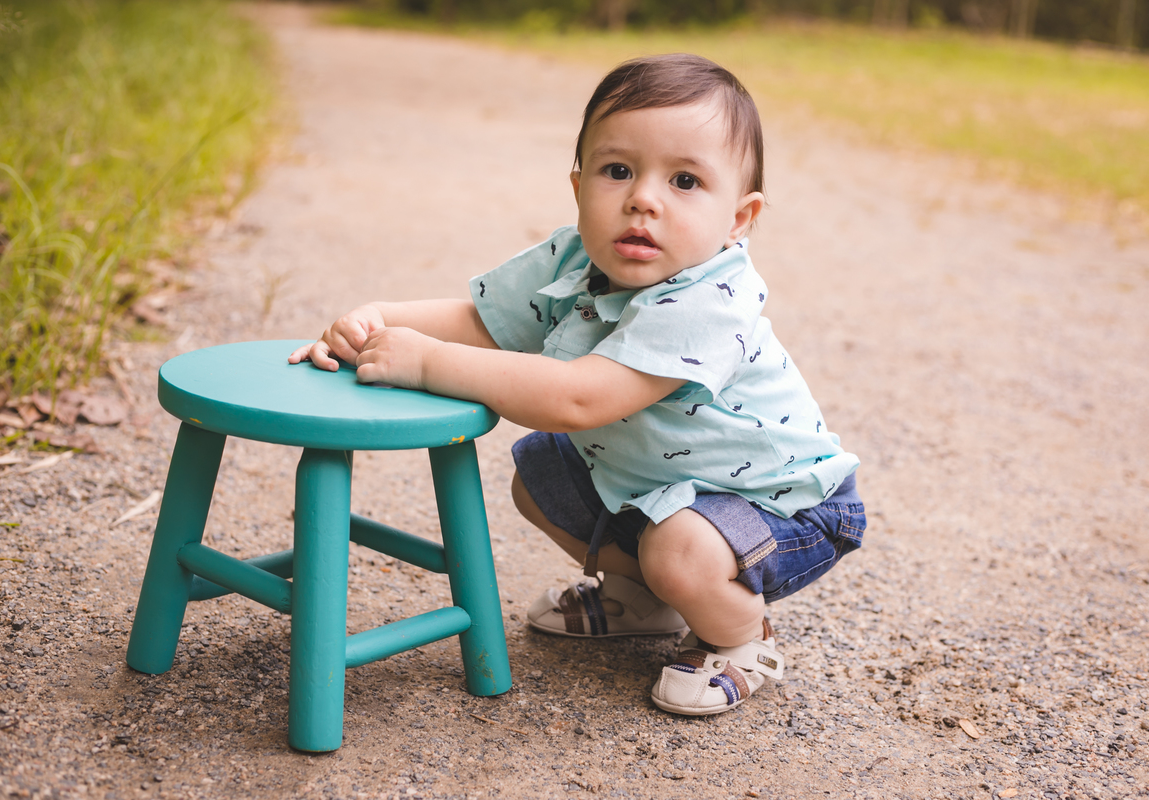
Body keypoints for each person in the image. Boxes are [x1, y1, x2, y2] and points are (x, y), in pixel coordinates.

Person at [289, 53, 865, 715]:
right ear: (578, 184)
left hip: (781, 505)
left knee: (676, 548)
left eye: (684, 180)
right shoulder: (574, 256)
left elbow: (578, 397)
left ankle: (738, 636)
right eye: (618, 170)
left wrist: (426, 362)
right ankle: (648, 600)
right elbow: (484, 321)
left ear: (739, 216)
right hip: (665, 489)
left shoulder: (711, 301)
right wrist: (381, 318)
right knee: (540, 474)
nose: (642, 197)